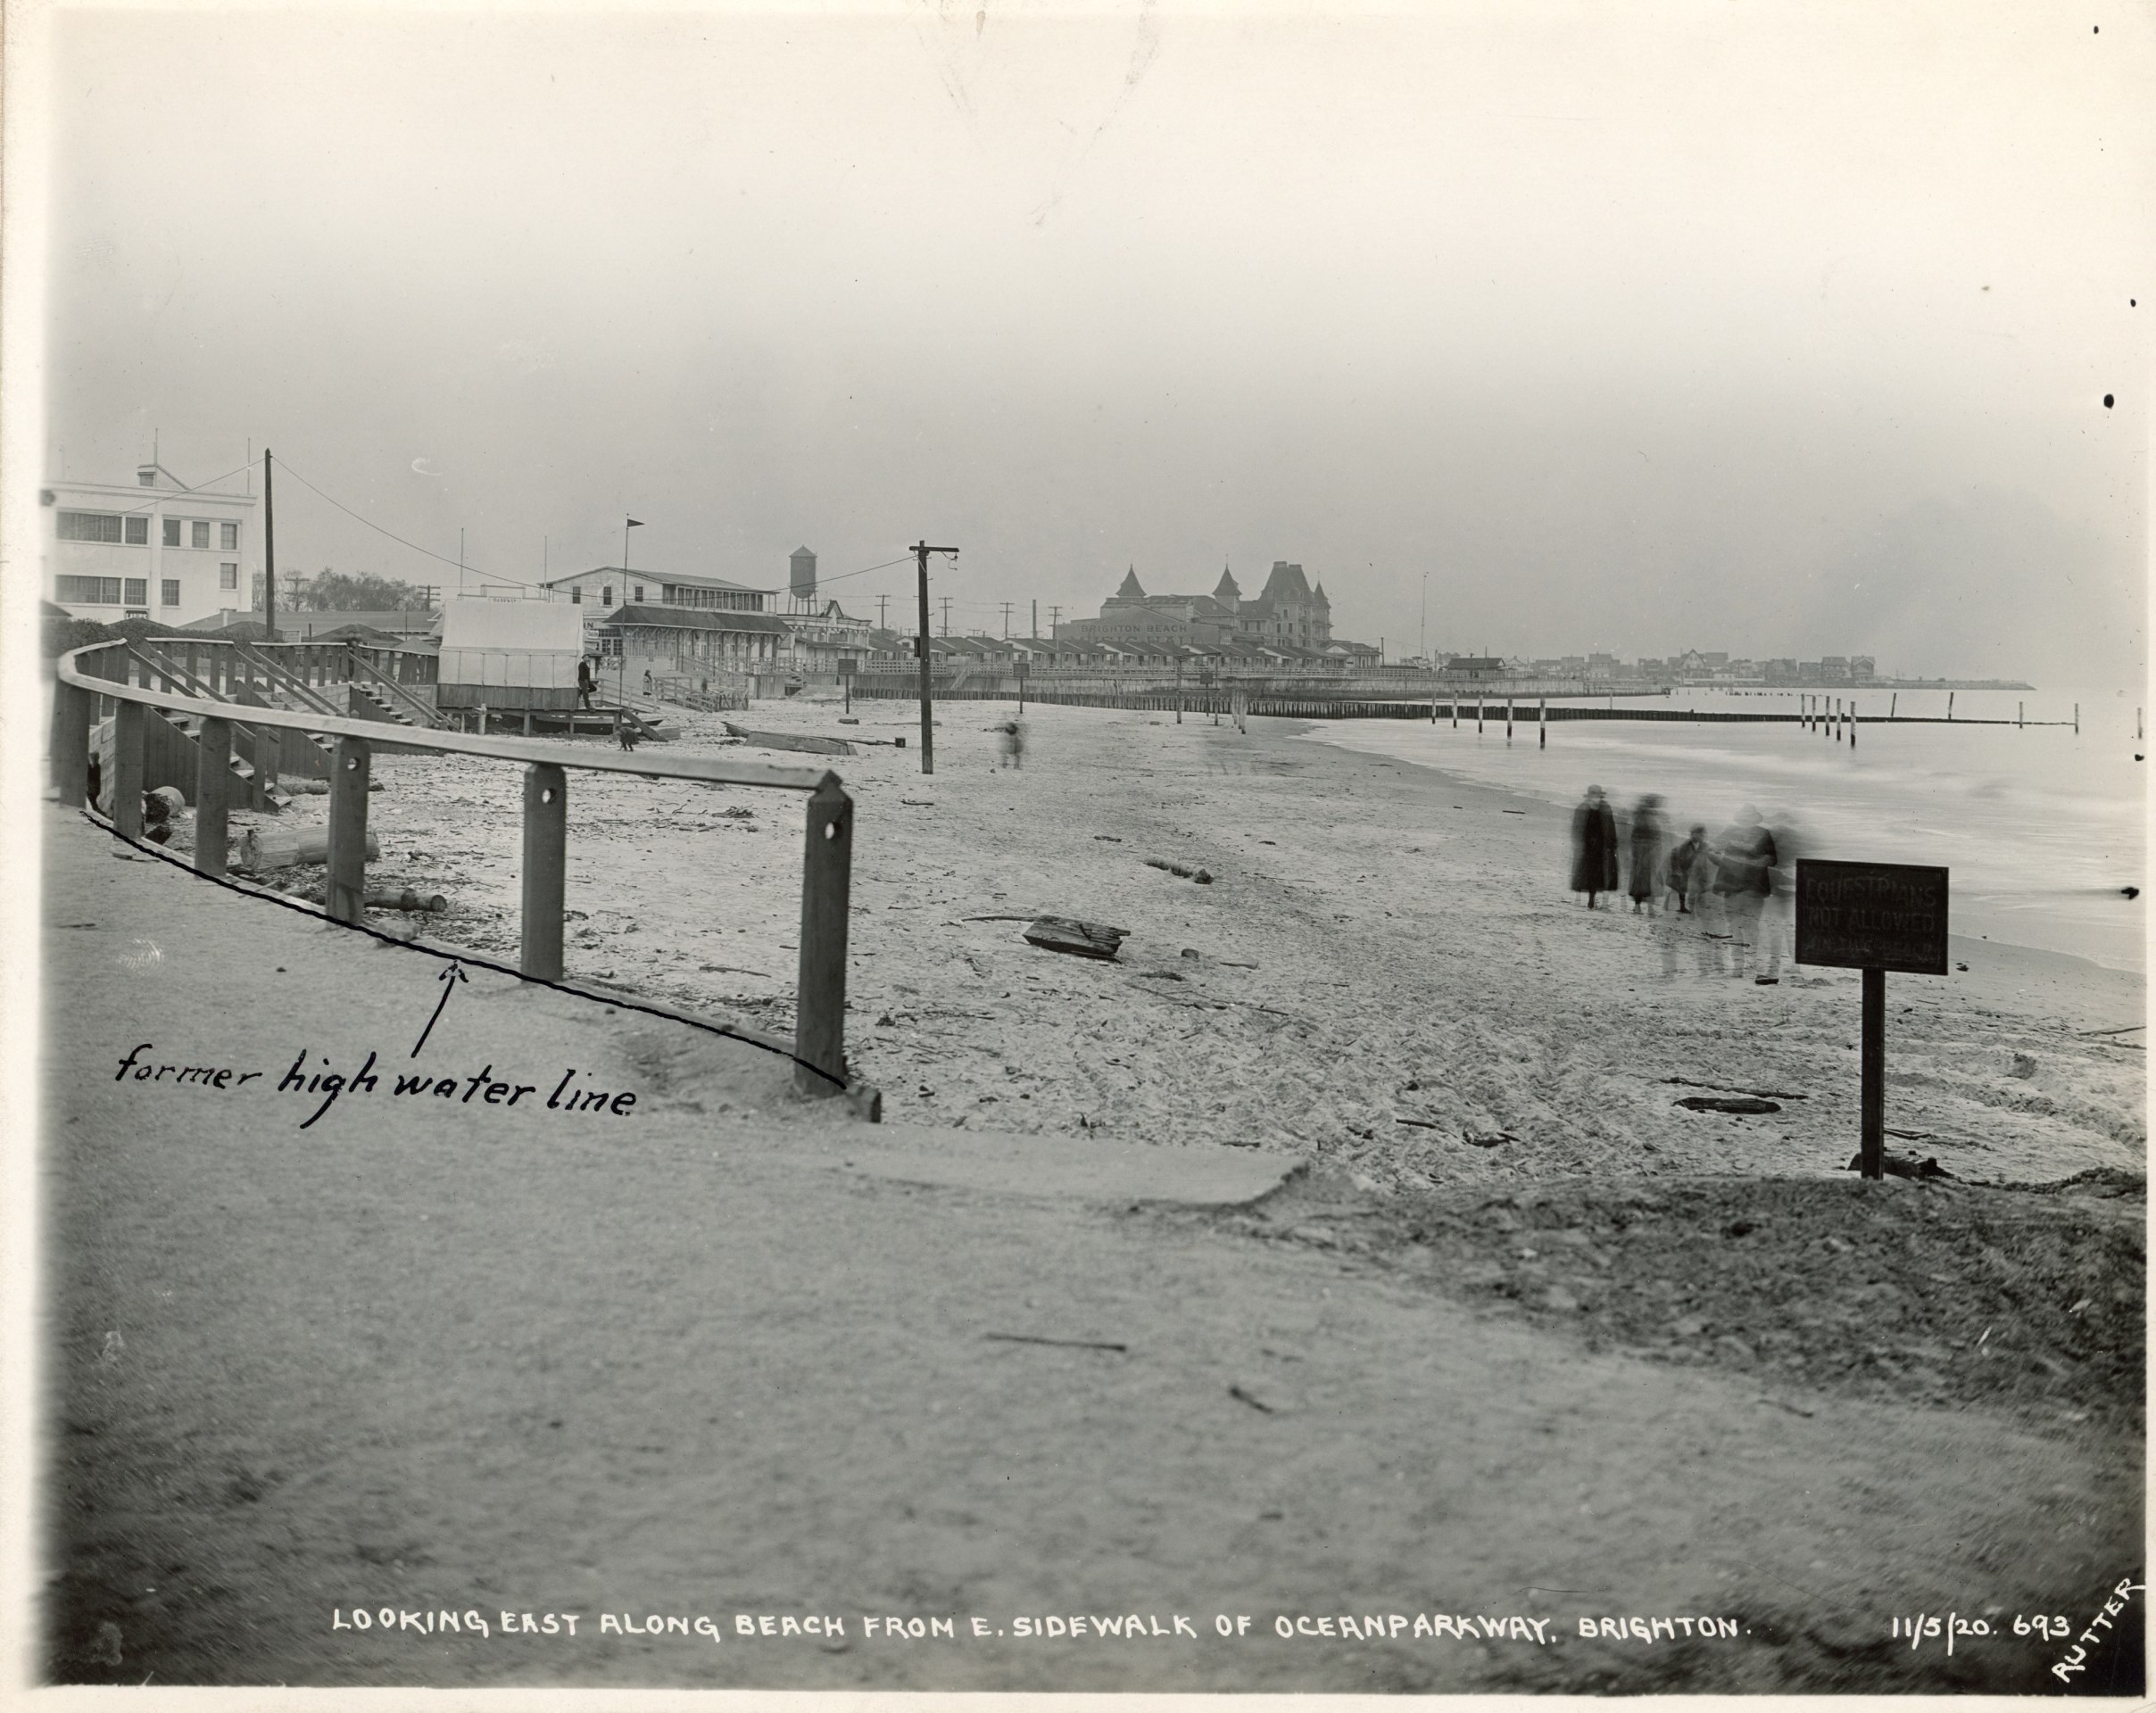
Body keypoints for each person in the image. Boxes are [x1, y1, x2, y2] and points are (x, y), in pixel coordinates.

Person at [1712, 805, 1778, 977]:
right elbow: (1772, 860)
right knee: (1752, 927)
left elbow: (1711, 851)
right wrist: (1754, 861)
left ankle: (1738, 968)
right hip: (1755, 888)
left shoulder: (1730, 831)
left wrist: (1727, 862)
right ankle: (1751, 964)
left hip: (1733, 888)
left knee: (1734, 927)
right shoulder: (1764, 834)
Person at [1570, 785, 1619, 907]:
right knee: (1587, 873)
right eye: (1594, 795)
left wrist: (1612, 844)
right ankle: (1587, 899)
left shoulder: (1603, 809)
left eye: (1597, 796)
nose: (1596, 798)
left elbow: (1611, 829)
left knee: (1597, 874)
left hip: (1600, 848)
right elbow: (1577, 828)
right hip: (1588, 848)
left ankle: (1592, 899)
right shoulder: (1584, 808)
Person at [1627, 793, 1665, 914]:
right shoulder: (1647, 817)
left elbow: (1635, 837)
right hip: (1647, 853)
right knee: (1649, 881)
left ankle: (1640, 907)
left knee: (1641, 881)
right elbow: (1653, 836)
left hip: (1644, 853)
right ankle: (1648, 908)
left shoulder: (1642, 816)